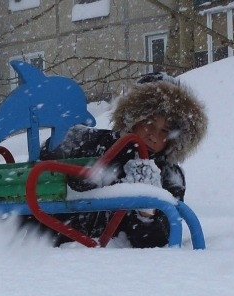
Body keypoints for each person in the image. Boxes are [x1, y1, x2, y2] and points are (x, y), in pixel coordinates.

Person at [36, 71, 208, 248]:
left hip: (117, 262)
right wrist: (86, 175)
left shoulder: (170, 176)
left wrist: (146, 213)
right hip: (57, 250)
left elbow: (155, 243)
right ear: (133, 117)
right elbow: (49, 151)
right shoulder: (98, 143)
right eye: (148, 122)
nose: (153, 136)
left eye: (165, 131)